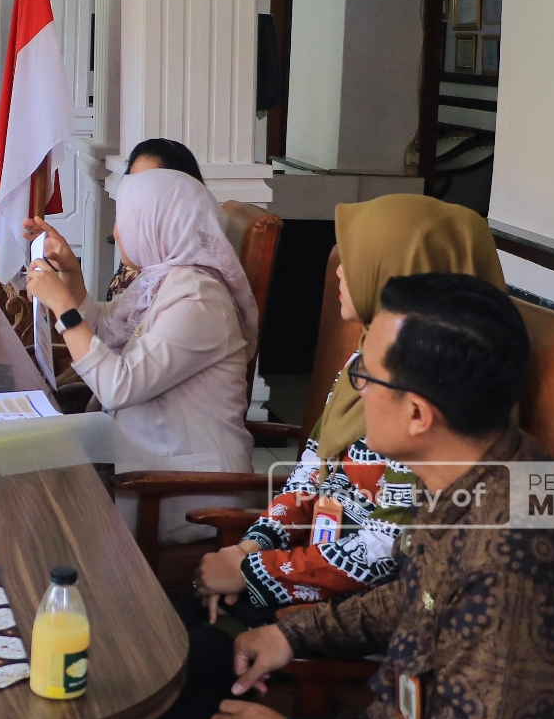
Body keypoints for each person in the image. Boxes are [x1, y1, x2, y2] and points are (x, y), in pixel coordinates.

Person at [151, 273, 554, 719]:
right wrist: (292, 631)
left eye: (366, 374)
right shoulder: (473, 470)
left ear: (417, 415)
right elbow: (414, 595)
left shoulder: (512, 567)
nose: (356, 385)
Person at [196, 193, 506, 619]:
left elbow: (388, 548)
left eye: (358, 258)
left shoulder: (442, 404)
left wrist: (252, 571)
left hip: (358, 613)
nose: (340, 271)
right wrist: (250, 547)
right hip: (309, 578)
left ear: (404, 271)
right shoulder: (362, 362)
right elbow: (308, 477)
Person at [22, 167, 259, 544]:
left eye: (125, 220)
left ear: (157, 224)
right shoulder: (164, 280)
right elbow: (112, 334)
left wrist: (64, 307)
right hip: (139, 457)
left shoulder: (199, 300)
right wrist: (72, 278)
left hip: (182, 489)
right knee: (16, 461)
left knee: (30, 509)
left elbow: (119, 384)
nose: (116, 233)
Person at [108, 137, 206, 300]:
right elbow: (109, 318)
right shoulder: (142, 247)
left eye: (150, 184)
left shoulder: (190, 288)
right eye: (134, 184)